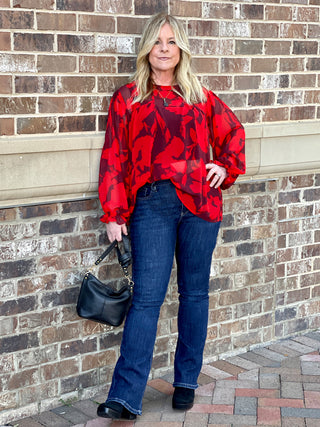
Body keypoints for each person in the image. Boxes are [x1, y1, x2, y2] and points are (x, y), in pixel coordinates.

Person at [97, 12, 245, 420]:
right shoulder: (128, 97)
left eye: (171, 42)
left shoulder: (199, 96)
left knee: (194, 293)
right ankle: (126, 396)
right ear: (148, 48)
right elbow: (114, 156)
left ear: (181, 50)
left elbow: (234, 133)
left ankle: (186, 381)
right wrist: (114, 212)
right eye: (158, 42)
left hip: (201, 206)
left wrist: (226, 167)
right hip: (152, 206)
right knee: (146, 298)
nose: (164, 49)